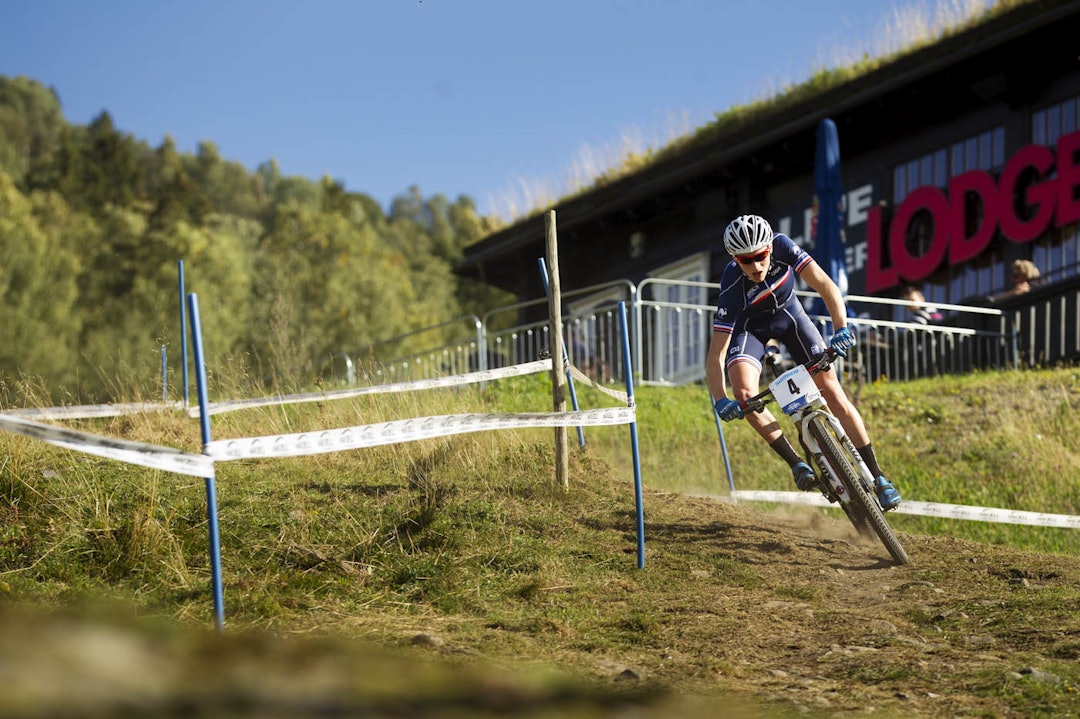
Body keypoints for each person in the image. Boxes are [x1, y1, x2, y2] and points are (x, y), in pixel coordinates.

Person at [705, 214, 901, 511]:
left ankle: (879, 476)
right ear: (735, 259)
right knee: (744, 395)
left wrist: (841, 329)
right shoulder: (732, 286)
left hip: (790, 317)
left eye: (760, 256)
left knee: (832, 391)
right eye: (746, 261)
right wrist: (720, 399)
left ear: (769, 248)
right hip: (750, 331)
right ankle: (796, 463)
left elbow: (825, 285)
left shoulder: (783, 246)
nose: (756, 267)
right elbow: (716, 354)